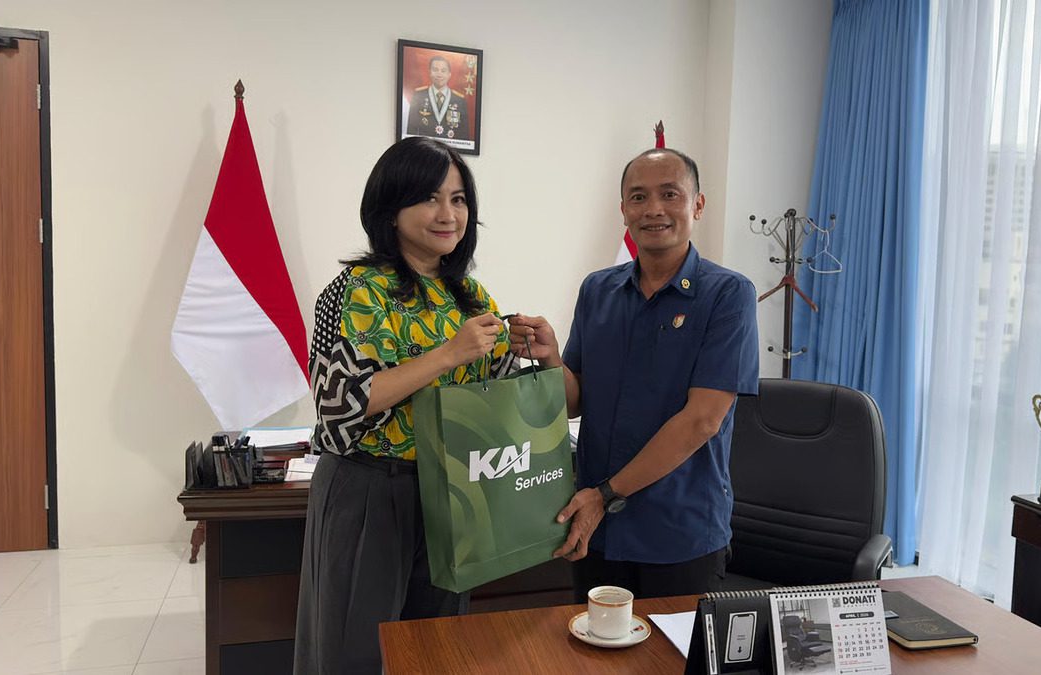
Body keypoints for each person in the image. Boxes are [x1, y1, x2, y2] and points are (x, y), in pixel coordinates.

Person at [294, 136, 518, 673]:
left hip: (454, 489)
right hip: (371, 488)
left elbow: (499, 392)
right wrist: (447, 354)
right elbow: (340, 407)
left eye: (459, 199)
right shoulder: (356, 290)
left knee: (437, 646)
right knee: (356, 650)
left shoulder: (472, 296)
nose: (448, 214)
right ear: (390, 208)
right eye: (429, 198)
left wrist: (538, 353)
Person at [509, 148, 759, 600]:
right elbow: (575, 402)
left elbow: (702, 420)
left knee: (671, 646)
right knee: (591, 643)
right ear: (623, 209)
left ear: (698, 205)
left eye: (670, 194)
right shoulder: (597, 289)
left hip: (678, 532)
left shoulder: (728, 295)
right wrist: (550, 360)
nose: (653, 209)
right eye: (639, 197)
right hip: (597, 529)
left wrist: (604, 495)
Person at [405, 55, 470, 141]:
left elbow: (464, 135)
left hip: (449, 147)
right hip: (425, 147)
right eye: (435, 70)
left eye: (443, 71)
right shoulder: (419, 96)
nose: (439, 74)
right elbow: (411, 129)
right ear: (430, 72)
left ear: (449, 74)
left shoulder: (459, 100)